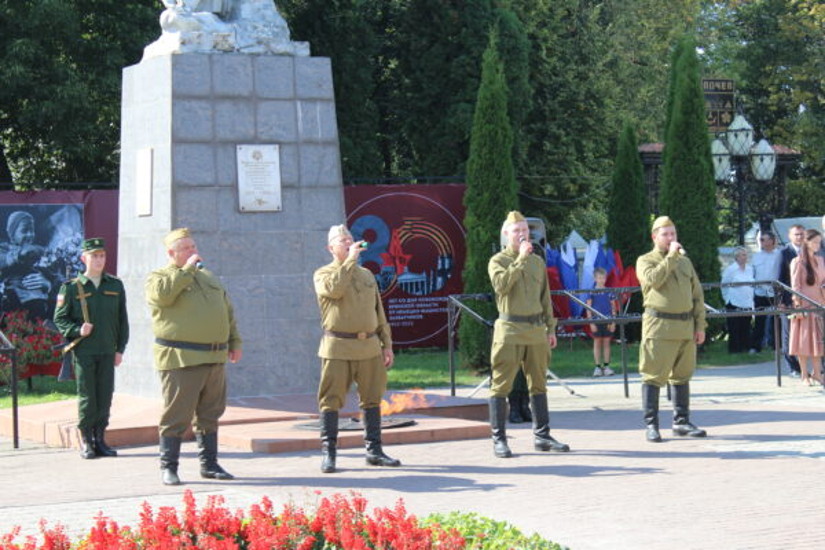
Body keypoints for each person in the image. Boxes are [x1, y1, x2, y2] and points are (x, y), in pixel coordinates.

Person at [145, 228, 242, 485]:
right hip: (181, 358)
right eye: (186, 248)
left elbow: (227, 311)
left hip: (214, 357)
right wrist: (186, 270)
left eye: (193, 246)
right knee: (176, 415)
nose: (193, 251)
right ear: (171, 253)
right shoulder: (159, 277)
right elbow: (163, 297)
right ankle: (169, 467)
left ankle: (209, 464)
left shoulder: (208, 277)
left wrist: (234, 341)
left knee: (211, 413)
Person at [313, 224, 400, 474]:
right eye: (343, 241)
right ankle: (329, 454)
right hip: (337, 347)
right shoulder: (323, 274)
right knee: (330, 401)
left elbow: (378, 311)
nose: (350, 243)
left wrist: (387, 344)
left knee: (372, 399)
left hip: (369, 347)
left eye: (351, 239)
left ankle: (374, 451)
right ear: (331, 248)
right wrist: (349, 260)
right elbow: (334, 290)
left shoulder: (366, 275)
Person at [487, 211, 569, 458]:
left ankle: (542, 436)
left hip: (535, 330)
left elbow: (545, 298)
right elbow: (501, 286)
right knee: (501, 385)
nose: (523, 235)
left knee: (539, 383)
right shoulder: (498, 261)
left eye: (525, 231)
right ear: (506, 234)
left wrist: (550, 328)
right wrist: (521, 259)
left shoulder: (538, 262)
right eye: (517, 231)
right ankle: (499, 439)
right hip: (510, 329)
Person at [53, 238, 129, 460]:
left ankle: (100, 440)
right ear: (83, 258)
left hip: (107, 350)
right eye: (94, 256)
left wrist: (120, 349)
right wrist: (77, 330)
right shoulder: (71, 287)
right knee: (88, 397)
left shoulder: (115, 285)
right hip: (85, 350)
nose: (99, 260)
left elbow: (122, 321)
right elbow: (60, 318)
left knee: (105, 395)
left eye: (102, 255)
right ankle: (86, 442)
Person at [636, 216, 707, 443]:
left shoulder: (685, 262)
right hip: (659, 327)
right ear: (654, 237)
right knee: (653, 376)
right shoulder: (645, 260)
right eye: (665, 234)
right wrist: (670, 257)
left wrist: (700, 325)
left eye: (673, 234)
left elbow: (697, 295)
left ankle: (682, 422)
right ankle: (651, 425)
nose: (670, 238)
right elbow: (653, 280)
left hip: (685, 326)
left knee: (682, 375)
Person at [0, 211, 53, 320]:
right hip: (11, 308)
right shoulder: (3, 250)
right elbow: (4, 260)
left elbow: (57, 277)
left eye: (32, 230)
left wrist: (48, 285)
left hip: (39, 307)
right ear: (12, 233)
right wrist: (19, 255)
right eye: (24, 231)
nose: (29, 235)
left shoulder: (40, 252)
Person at [788, 229, 825, 386]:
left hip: (819, 304)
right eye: (815, 242)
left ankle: (817, 373)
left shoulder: (821, 260)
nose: (818, 245)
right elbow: (795, 287)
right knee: (802, 342)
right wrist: (798, 306)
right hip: (804, 306)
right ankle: (804, 375)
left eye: (819, 242)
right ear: (807, 242)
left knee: (818, 342)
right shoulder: (798, 262)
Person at [779, 224, 805, 378]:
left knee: (808, 334)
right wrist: (781, 300)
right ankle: (793, 367)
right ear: (790, 236)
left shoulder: (809, 252)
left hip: (807, 300)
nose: (800, 237)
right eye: (796, 234)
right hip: (788, 300)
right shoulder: (783, 253)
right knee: (788, 333)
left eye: (802, 234)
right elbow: (779, 278)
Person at [750, 232, 782, 352]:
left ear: (772, 241)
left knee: (777, 320)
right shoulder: (756, 256)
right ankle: (756, 346)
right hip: (760, 292)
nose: (762, 242)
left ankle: (777, 346)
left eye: (764, 239)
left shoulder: (779, 254)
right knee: (759, 320)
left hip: (775, 292)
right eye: (761, 240)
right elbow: (752, 273)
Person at [720, 247, 754, 354]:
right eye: (742, 255)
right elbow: (724, 285)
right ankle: (734, 350)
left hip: (747, 302)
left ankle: (746, 348)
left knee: (746, 326)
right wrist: (727, 298)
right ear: (737, 257)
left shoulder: (750, 269)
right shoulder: (730, 270)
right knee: (734, 327)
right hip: (734, 302)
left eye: (745, 255)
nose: (745, 257)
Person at [586, 267, 616, 377]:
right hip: (596, 321)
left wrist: (613, 322)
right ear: (595, 278)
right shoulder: (591, 292)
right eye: (599, 277)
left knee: (607, 343)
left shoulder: (609, 291)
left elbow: (613, 306)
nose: (602, 280)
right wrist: (591, 323)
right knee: (597, 343)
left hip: (608, 320)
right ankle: (598, 367)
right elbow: (588, 307)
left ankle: (607, 366)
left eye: (603, 277)